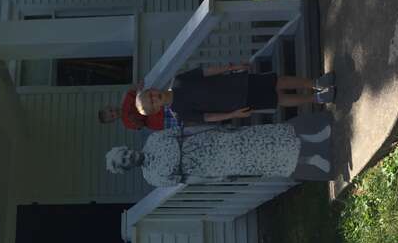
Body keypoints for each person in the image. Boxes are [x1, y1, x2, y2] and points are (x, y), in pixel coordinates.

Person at [104, 113, 335, 185]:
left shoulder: (154, 139)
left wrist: (213, 128)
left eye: (124, 153)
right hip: (213, 164)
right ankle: (312, 160)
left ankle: (312, 138)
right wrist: (215, 178)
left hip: (212, 142)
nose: (128, 156)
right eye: (125, 161)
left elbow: (185, 132)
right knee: (263, 160)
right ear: (128, 168)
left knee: (260, 139)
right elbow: (186, 179)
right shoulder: (152, 177)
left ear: (126, 148)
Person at [135, 65, 335, 124]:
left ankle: (316, 83)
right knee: (279, 99)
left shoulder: (178, 80)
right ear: (156, 110)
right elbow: (208, 117)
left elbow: (206, 71)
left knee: (278, 81)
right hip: (236, 103)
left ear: (153, 90)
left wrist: (233, 67)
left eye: (150, 95)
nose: (154, 98)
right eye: (151, 103)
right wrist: (233, 115)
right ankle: (316, 98)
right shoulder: (180, 114)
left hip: (237, 82)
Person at [98, 84, 182, 131]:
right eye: (112, 116)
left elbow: (138, 89)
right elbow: (141, 125)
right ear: (113, 120)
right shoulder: (127, 123)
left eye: (111, 110)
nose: (114, 113)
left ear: (110, 106)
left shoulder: (127, 98)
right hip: (159, 121)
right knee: (183, 121)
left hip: (160, 107)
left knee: (180, 105)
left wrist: (139, 87)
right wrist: (135, 121)